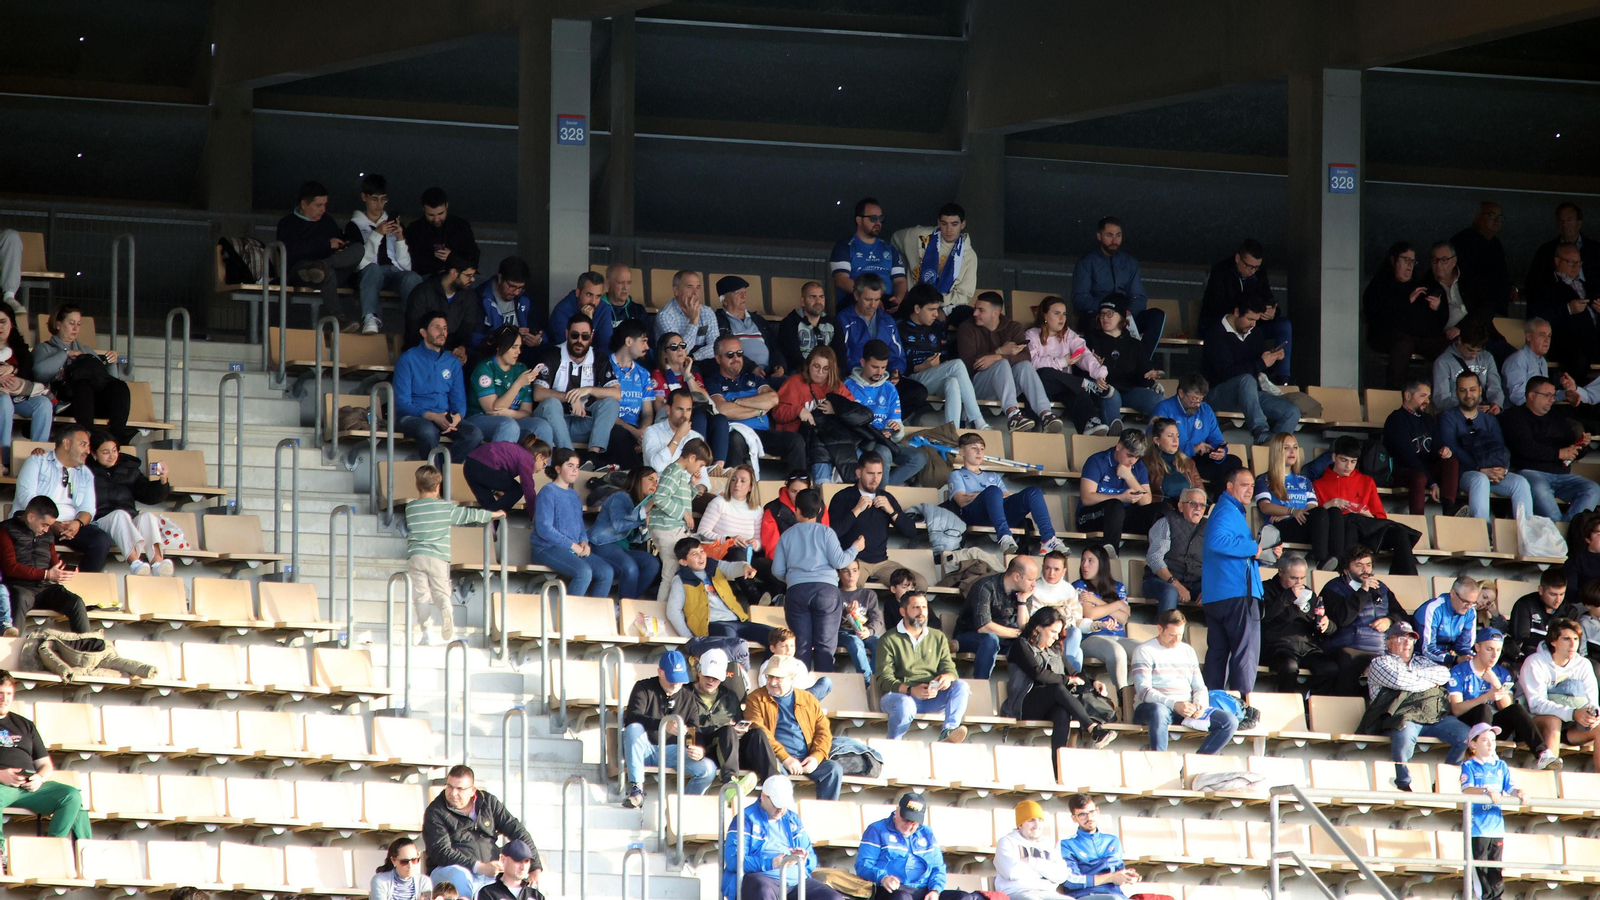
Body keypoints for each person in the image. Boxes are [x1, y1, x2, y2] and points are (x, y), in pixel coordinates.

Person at [1362, 621, 1471, 792]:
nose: (1407, 643)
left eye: (1411, 639)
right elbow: (1400, 680)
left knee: (1467, 736)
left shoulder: (1421, 661)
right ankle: (1403, 782)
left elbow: (1444, 674)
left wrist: (1414, 676)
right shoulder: (1380, 662)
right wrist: (1428, 682)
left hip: (1432, 716)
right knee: (1403, 736)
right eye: (1401, 639)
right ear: (1388, 641)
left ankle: (1445, 781)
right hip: (1403, 716)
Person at [404, 463, 502, 645]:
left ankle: (426, 632)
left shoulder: (410, 508)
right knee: (441, 592)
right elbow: (467, 515)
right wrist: (492, 515)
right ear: (438, 486)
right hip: (438, 557)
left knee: (420, 596)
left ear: (417, 485)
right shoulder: (445, 508)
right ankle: (446, 611)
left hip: (416, 556)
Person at [1006, 606, 1115, 763]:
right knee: (1058, 688)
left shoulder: (1055, 650)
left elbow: (1075, 673)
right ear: (1038, 628)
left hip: (1050, 703)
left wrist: (1093, 682)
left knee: (1061, 712)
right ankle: (1092, 728)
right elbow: (1037, 673)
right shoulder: (1021, 646)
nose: (1056, 637)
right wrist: (1068, 680)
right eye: (1052, 632)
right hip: (1025, 703)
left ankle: (1058, 769)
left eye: (1058, 633)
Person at [773, 488, 864, 672]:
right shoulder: (827, 532)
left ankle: (801, 693)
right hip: (826, 593)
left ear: (796, 510)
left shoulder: (786, 536)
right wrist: (855, 548)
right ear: (820, 510)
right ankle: (825, 692)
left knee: (801, 647)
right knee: (825, 647)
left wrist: (794, 579)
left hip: (796, 592)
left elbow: (777, 570)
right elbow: (839, 561)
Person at [1202, 465, 1272, 695]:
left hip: (1219, 595)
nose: (1250, 490)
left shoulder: (1228, 510)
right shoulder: (1226, 510)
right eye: (1244, 485)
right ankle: (1241, 708)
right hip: (1236, 594)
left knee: (1218, 655)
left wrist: (1262, 555)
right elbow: (1216, 541)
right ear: (1229, 487)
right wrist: (1254, 548)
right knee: (1245, 654)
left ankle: (1213, 704)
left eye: (1252, 485)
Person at [619, 650, 719, 807]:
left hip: (672, 752)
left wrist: (695, 748)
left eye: (679, 680)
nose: (676, 684)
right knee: (633, 728)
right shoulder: (643, 687)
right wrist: (662, 724)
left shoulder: (687, 696)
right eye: (671, 679)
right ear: (660, 672)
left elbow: (693, 728)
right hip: (644, 748)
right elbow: (631, 717)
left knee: (708, 768)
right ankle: (637, 789)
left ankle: (683, 810)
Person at [0, 671, 91, 841]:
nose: (4, 699)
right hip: (2, 786)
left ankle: (54, 848)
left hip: (30, 786)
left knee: (71, 796)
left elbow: (45, 764)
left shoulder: (25, 725)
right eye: (0, 694)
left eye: (9, 694)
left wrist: (40, 778)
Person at [721, 775, 844, 900]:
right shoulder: (745, 819)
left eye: (784, 805)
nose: (781, 809)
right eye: (776, 804)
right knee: (762, 890)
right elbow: (733, 860)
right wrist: (771, 863)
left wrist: (803, 859)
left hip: (796, 881)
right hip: (763, 879)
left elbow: (812, 859)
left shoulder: (792, 819)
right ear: (763, 797)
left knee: (833, 898)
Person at [1132, 609, 1237, 754]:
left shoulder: (1188, 651)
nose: (1176, 640)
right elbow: (1143, 690)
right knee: (1159, 712)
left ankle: (1197, 762)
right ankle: (1161, 762)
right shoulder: (1144, 650)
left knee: (1229, 721)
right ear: (1159, 629)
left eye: (1180, 635)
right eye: (1172, 635)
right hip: (1155, 706)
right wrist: (1174, 704)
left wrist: (1200, 704)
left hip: (1186, 707)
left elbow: (1199, 686)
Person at [1448, 628, 1555, 770]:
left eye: (1498, 650)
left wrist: (1496, 684)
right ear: (1477, 647)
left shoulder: (1502, 673)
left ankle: (1543, 753)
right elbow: (1456, 709)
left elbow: (1507, 708)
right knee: (1483, 708)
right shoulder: (1459, 671)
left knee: (1516, 709)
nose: (1494, 655)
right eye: (1489, 649)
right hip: (1468, 723)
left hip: (1494, 728)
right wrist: (1484, 697)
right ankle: (1486, 753)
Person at [1312, 436, 1421, 575]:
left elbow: (1380, 516)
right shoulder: (1319, 485)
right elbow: (1317, 519)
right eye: (1343, 460)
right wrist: (1329, 505)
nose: (1348, 466)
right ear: (1334, 457)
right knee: (1351, 524)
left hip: (1367, 530)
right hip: (1342, 533)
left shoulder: (1366, 481)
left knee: (1400, 534)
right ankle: (1346, 574)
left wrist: (1370, 515)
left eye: (1353, 462)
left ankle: (1408, 578)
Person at [956, 292, 1063, 434]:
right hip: (976, 385)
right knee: (1002, 365)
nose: (975, 313)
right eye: (975, 308)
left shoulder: (1013, 327)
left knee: (1024, 366)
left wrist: (998, 356)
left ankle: (1045, 414)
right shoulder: (967, 327)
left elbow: (1026, 357)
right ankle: (1013, 415)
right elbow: (970, 364)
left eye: (981, 310)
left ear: (996, 313)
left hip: (1007, 385)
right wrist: (1000, 352)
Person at [423, 764, 536, 898]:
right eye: (449, 786)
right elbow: (440, 852)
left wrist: (535, 867)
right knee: (460, 875)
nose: (453, 793)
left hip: (490, 872)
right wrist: (479, 867)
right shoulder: (435, 811)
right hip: (450, 870)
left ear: (472, 791)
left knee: (526, 883)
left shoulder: (488, 803)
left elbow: (517, 830)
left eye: (460, 789)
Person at [948, 431, 1065, 556]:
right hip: (976, 515)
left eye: (982, 449)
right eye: (973, 448)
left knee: (1033, 492)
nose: (979, 452)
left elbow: (1006, 496)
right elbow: (961, 500)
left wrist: (981, 495)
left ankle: (1048, 539)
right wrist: (987, 495)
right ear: (961, 452)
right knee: (993, 491)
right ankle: (1005, 537)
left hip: (999, 513)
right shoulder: (956, 475)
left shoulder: (993, 476)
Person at [704, 334, 807, 475]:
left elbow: (772, 399)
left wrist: (737, 402)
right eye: (730, 355)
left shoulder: (753, 378)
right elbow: (722, 409)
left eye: (739, 354)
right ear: (718, 358)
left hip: (762, 433)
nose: (736, 358)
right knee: (735, 439)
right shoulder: (713, 381)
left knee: (795, 441)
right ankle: (731, 490)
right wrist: (758, 411)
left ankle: (799, 487)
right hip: (736, 432)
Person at [1199, 299, 1299, 445]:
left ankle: (1270, 453)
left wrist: (1274, 361)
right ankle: (1260, 431)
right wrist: (1260, 362)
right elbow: (1226, 372)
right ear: (1237, 312)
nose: (1253, 324)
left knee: (1291, 412)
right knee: (1246, 379)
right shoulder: (1215, 333)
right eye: (1250, 319)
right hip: (1218, 394)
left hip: (1250, 394)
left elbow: (1260, 371)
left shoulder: (1254, 333)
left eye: (1256, 320)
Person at [14, 427, 113, 573]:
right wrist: (53, 524)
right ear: (66, 444)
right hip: (39, 522)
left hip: (70, 526)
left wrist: (77, 524)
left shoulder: (85, 473)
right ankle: (43, 587)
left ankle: (81, 585)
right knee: (39, 538)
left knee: (101, 540)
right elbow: (26, 497)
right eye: (83, 444)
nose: (87, 450)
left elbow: (89, 508)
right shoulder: (38, 461)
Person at [743, 657, 843, 800]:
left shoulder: (808, 699)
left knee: (833, 770)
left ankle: (825, 817)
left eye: (778, 678)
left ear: (792, 678)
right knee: (776, 775)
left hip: (806, 757)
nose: (772, 682)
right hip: (776, 758)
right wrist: (786, 758)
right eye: (769, 677)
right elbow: (761, 732)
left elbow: (823, 731)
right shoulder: (755, 699)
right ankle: (781, 815)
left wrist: (816, 757)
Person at [875, 590, 969, 742]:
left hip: (932, 697)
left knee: (961, 686)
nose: (921, 612)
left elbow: (950, 668)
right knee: (906, 705)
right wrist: (911, 690)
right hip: (900, 697)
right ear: (902, 611)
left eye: (924, 607)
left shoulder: (938, 637)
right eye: (916, 607)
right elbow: (884, 680)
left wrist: (947, 677)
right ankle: (893, 743)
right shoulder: (888, 639)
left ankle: (948, 731)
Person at [1439, 371, 1534, 522]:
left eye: (1472, 389)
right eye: (1463, 390)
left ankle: (1526, 532)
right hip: (1466, 472)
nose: (1468, 394)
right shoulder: (1448, 417)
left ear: (1480, 390)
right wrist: (1479, 468)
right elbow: (1452, 449)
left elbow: (1501, 449)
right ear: (1456, 392)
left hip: (1491, 471)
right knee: (1480, 480)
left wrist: (1503, 469)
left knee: (1520, 483)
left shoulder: (1489, 420)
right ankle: (1483, 534)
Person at [1502, 376, 1599, 521]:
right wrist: (1558, 453)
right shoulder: (1515, 416)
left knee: (1592, 489)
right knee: (1540, 491)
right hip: (1531, 472)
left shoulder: (1556, 417)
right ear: (1531, 395)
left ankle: (1566, 532)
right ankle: (1565, 535)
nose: (1552, 399)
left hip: (1562, 475)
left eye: (1553, 395)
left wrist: (1581, 445)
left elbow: (1571, 449)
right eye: (1547, 395)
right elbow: (1525, 447)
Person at [34, 303, 134, 445]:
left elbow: (106, 380)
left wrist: (111, 363)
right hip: (63, 403)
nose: (76, 328)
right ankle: (88, 438)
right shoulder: (44, 348)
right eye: (71, 323)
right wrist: (65, 354)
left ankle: (116, 440)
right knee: (82, 383)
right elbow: (39, 374)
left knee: (120, 387)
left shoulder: (86, 350)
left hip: (90, 404)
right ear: (58, 324)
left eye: (79, 324)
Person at [530, 313, 621, 463]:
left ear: (591, 336)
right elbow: (538, 394)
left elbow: (616, 393)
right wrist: (571, 397)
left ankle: (593, 456)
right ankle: (570, 459)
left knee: (611, 403)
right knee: (551, 403)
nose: (579, 341)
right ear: (567, 334)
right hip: (555, 423)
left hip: (583, 423)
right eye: (575, 335)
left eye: (585, 337)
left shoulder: (599, 357)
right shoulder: (552, 354)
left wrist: (588, 390)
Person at [84, 431, 180, 577]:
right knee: (119, 515)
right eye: (105, 452)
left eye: (114, 450)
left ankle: (158, 562)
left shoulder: (129, 469)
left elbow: (149, 496)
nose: (112, 456)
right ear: (94, 454)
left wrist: (162, 481)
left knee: (147, 516)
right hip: (100, 521)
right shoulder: (85, 471)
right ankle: (135, 562)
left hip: (127, 523)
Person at [1318, 545, 1407, 696]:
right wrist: (1362, 592)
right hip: (1347, 647)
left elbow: (1401, 614)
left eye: (1368, 565)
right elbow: (1341, 619)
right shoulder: (1333, 589)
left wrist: (1389, 620)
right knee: (1347, 665)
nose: (1365, 570)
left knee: (1395, 670)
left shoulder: (1382, 588)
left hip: (1379, 649)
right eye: (1359, 565)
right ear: (1346, 569)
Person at [1070, 217, 1164, 358]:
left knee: (1157, 315)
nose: (1114, 240)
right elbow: (1080, 298)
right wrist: (1108, 310)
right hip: (1098, 317)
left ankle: (1143, 362)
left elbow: (1139, 296)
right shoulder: (1087, 262)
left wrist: (1127, 312)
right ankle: (1097, 369)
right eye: (1109, 235)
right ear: (1099, 236)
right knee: (1089, 319)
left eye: (1118, 235)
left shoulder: (1130, 263)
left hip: (1125, 317)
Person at [396, 312, 484, 461]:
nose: (442, 332)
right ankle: (437, 479)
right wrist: (432, 416)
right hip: (414, 417)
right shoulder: (407, 359)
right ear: (423, 332)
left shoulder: (453, 362)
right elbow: (402, 403)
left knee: (474, 434)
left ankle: (440, 473)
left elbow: (459, 401)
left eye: (444, 328)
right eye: (436, 327)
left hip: (444, 416)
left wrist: (457, 417)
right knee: (428, 431)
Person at [857, 792, 979, 900]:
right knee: (902, 897)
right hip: (892, 889)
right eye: (906, 819)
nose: (909, 825)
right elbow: (863, 865)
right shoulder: (877, 830)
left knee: (964, 897)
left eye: (914, 822)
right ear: (897, 810)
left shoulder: (926, 833)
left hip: (923, 890)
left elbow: (938, 867)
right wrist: (883, 878)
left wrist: (935, 890)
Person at [276, 181, 362, 329]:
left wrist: (341, 247)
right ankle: (338, 319)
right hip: (301, 273)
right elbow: (290, 252)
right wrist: (326, 245)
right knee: (326, 272)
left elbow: (338, 242)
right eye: (318, 205)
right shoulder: (287, 224)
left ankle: (322, 266)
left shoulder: (327, 221)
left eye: (325, 205)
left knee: (358, 249)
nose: (323, 210)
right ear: (304, 204)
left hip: (329, 268)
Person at [1364, 242, 1448, 390]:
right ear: (1393, 260)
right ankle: (1395, 396)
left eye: (1412, 261)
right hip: (1386, 336)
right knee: (1403, 343)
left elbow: (1435, 323)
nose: (1410, 265)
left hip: (1418, 337)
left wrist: (1437, 309)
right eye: (1405, 260)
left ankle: (1444, 396)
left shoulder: (1419, 286)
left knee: (1447, 345)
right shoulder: (1380, 284)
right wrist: (1407, 301)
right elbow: (1376, 316)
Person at [827, 456, 921, 588]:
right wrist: (856, 511)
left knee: (919, 584)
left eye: (879, 473)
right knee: (851, 586)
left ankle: (897, 608)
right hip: (854, 560)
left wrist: (891, 511)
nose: (875, 479)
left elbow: (911, 531)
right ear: (858, 473)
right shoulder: (842, 497)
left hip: (882, 562)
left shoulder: (886, 498)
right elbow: (832, 532)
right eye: (870, 473)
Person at [345, 174, 423, 334]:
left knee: (413, 277)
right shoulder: (354, 226)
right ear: (364, 197)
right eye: (374, 199)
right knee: (373, 269)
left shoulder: (393, 223)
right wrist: (377, 234)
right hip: (368, 273)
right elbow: (359, 263)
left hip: (393, 272)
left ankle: (416, 324)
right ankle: (370, 317)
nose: (379, 205)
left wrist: (400, 238)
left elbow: (406, 266)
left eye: (383, 199)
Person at [1026, 295, 1116, 434]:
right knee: (1044, 373)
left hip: (1064, 386)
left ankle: (1090, 423)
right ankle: (1084, 384)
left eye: (1064, 314)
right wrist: (1063, 362)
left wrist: (1099, 374)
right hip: (1039, 387)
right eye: (1057, 313)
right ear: (1045, 315)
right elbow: (1032, 363)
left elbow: (1083, 354)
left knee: (1075, 390)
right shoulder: (1032, 334)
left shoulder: (1068, 334)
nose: (1062, 318)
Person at [1520, 617, 1600, 773]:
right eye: (1566, 639)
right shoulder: (1535, 662)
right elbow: (1536, 704)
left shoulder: (1583, 664)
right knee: (1553, 721)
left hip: (1573, 725)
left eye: (1576, 639)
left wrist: (1593, 714)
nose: (1572, 644)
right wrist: (1571, 713)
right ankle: (1547, 784)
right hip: (1537, 723)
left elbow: (1593, 701)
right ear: (1553, 641)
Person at [531, 448, 614, 597]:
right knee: (583, 572)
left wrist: (583, 541)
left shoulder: (574, 495)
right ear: (557, 468)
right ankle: (569, 618)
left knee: (606, 572)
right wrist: (572, 545)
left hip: (571, 549)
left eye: (577, 466)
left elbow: (579, 525)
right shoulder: (548, 492)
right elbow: (544, 528)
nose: (575, 470)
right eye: (570, 466)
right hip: (546, 549)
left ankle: (593, 618)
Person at [0, 496, 89, 633]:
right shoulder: (5, 530)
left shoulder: (47, 535)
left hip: (45, 587)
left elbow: (54, 563)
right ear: (31, 517)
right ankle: (11, 649)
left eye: (49, 526)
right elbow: (10, 567)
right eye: (44, 525)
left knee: (75, 602)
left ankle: (86, 648)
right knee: (19, 599)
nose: (47, 530)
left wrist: (64, 571)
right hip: (19, 587)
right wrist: (46, 574)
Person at [846, 340, 926, 485]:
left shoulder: (890, 388)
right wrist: (874, 435)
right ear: (863, 362)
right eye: (875, 367)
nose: (880, 372)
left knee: (919, 458)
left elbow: (898, 432)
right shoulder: (848, 386)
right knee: (884, 453)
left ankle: (883, 491)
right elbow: (845, 426)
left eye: (883, 367)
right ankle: (880, 497)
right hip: (860, 444)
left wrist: (895, 431)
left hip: (885, 442)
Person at [1256, 432, 1340, 568]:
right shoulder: (1265, 479)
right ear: (1277, 451)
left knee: (1334, 512)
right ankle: (1321, 560)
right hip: (1281, 527)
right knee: (1320, 513)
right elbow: (1265, 506)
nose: (1292, 451)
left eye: (1295, 447)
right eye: (1286, 448)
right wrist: (1291, 511)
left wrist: (1293, 513)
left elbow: (1312, 508)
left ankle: (1338, 560)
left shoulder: (1304, 481)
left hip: (1301, 524)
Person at [1460, 722, 1522, 900]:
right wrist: (1486, 791)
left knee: (1496, 872)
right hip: (1477, 829)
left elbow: (1510, 787)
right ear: (1473, 744)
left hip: (1496, 828)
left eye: (1493, 740)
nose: (1490, 744)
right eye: (1485, 740)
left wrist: (1520, 792)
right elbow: (1467, 789)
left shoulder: (1501, 766)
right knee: (1481, 873)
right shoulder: (1469, 766)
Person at [1259, 555, 1336, 694]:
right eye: (1293, 578)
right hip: (1278, 645)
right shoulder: (1266, 589)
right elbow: (1265, 617)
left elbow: (1322, 623)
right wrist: (1288, 597)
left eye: (1302, 578)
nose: (1298, 583)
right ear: (1280, 571)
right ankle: (1288, 705)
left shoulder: (1308, 593)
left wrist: (1326, 624)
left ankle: (1307, 699)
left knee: (1330, 668)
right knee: (1289, 667)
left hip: (1307, 646)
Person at [467, 326, 556, 446]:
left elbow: (527, 412)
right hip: (480, 418)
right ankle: (498, 464)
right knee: (509, 425)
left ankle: (541, 465)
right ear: (499, 347)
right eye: (514, 347)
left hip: (512, 419)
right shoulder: (485, 368)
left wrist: (511, 414)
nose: (518, 352)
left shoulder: (521, 369)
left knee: (542, 426)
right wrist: (518, 384)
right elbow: (492, 410)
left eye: (519, 347)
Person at [1151, 374, 1243, 488]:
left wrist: (1220, 452)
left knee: (1233, 463)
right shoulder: (1164, 408)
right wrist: (1192, 448)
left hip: (1198, 459)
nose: (1197, 404)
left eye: (1200, 399)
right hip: (1172, 459)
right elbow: (1154, 443)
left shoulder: (1206, 410)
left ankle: (1218, 503)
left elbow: (1217, 439)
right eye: (1194, 399)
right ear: (1181, 393)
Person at [953, 556, 1039, 680]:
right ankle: (981, 683)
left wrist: (1022, 601)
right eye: (1030, 579)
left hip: (1005, 639)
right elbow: (984, 627)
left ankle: (1022, 690)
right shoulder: (985, 586)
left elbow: (1024, 626)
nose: (1034, 584)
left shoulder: (1024, 591)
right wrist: (1019, 633)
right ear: (1016, 577)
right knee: (990, 639)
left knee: (1026, 644)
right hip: (970, 636)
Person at [697, 463, 773, 602]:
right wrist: (728, 539)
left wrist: (755, 543)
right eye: (734, 479)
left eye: (743, 481)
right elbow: (702, 532)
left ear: (750, 487)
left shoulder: (756, 510)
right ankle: (756, 600)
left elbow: (760, 541)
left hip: (748, 554)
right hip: (722, 553)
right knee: (738, 554)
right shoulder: (719, 503)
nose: (737, 484)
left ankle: (776, 600)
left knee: (770, 567)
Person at [668, 537, 765, 643]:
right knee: (733, 643)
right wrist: (689, 638)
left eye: (702, 551)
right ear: (683, 562)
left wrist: (745, 566)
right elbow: (673, 611)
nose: (701, 556)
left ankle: (771, 660)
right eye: (694, 554)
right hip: (714, 625)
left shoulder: (713, 565)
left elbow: (730, 568)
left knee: (776, 637)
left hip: (738, 621)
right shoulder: (681, 579)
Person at [647, 438, 710, 601]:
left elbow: (678, 497)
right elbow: (660, 497)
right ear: (691, 458)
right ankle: (661, 610)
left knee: (673, 572)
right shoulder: (674, 471)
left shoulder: (679, 473)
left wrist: (692, 485)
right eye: (700, 465)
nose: (700, 469)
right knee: (670, 573)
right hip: (668, 528)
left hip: (671, 527)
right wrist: (684, 514)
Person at [1076, 430, 1158, 554]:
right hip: (1091, 517)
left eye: (1136, 457)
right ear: (1119, 447)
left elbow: (1146, 502)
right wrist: (1120, 497)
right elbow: (1086, 498)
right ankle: (1111, 555)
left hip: (1122, 517)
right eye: (1129, 455)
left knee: (1159, 509)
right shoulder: (1097, 461)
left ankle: (1160, 557)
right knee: (1115, 505)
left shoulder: (1139, 467)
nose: (1132, 461)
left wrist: (1129, 477)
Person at [588, 466, 663, 601]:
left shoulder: (641, 504)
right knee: (630, 567)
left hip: (622, 549)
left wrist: (648, 524)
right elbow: (619, 524)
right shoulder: (620, 496)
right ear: (637, 480)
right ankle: (625, 607)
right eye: (650, 479)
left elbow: (638, 539)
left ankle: (626, 605)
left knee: (652, 563)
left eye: (657, 481)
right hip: (601, 544)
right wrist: (643, 511)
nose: (655, 484)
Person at [1083, 296, 1164, 419]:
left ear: (1121, 316)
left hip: (1128, 391)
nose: (1104, 317)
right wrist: (1094, 369)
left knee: (1158, 401)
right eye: (1102, 314)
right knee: (1111, 395)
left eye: (1109, 313)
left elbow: (1142, 375)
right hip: (1104, 391)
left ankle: (1157, 435)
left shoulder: (1134, 344)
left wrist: (1149, 376)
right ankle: (1113, 436)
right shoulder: (1091, 340)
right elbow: (1081, 372)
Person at [893, 203, 977, 319]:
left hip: (944, 307)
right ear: (938, 223)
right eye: (944, 224)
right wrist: (902, 270)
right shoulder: (917, 236)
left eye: (954, 224)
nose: (949, 229)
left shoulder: (969, 255)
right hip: (913, 302)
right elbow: (894, 241)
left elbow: (964, 294)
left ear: (963, 225)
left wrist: (936, 302)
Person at [1059, 794, 1141, 899]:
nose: (1089, 818)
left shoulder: (1113, 840)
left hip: (1115, 894)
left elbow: (1119, 872)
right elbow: (1071, 882)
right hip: (1085, 895)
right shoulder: (1066, 845)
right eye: (1082, 814)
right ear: (1074, 818)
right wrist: (1111, 878)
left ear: (1097, 811)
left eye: (1091, 812)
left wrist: (1131, 877)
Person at [1199, 239, 1277, 349]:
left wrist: (1272, 312)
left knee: (1284, 326)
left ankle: (1280, 365)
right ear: (1237, 258)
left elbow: (1268, 298)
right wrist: (1247, 311)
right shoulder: (1221, 270)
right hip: (1225, 324)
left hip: (1252, 325)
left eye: (1256, 267)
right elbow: (1215, 305)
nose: (1253, 271)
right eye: (1249, 266)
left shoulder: (1260, 273)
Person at [0, 305, 52, 472]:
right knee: (3, 401)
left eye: (3, 322)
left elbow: (29, 373)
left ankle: (38, 459)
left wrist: (13, 370)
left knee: (43, 404)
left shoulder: (20, 348)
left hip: (19, 396)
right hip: (2, 398)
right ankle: (4, 460)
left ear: (11, 324)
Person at [832, 197, 908, 311]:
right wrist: (871, 299)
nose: (878, 222)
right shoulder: (844, 246)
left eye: (881, 218)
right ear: (859, 220)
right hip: (854, 303)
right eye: (873, 218)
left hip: (886, 304)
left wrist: (897, 300)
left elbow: (900, 281)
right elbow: (841, 280)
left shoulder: (890, 249)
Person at [996, 800, 1081, 900]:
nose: (1037, 825)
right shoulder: (1007, 842)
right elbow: (1012, 872)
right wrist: (1046, 873)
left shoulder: (1048, 845)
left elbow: (1061, 875)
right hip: (1017, 893)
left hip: (1047, 893)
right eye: (1031, 820)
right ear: (1020, 824)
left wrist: (1031, 861)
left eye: (1040, 820)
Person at [1142, 486, 1206, 614]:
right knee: (1170, 591)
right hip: (1160, 581)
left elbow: (1215, 564)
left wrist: (1208, 589)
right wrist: (1175, 584)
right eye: (1192, 503)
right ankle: (1166, 631)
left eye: (1202, 505)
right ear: (1180, 506)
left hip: (1193, 583)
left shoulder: (1209, 528)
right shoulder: (1166, 522)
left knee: (1218, 593)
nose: (1198, 508)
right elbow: (1155, 559)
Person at [602, 321, 656, 469]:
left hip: (635, 431)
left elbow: (647, 412)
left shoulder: (643, 374)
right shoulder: (603, 365)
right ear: (628, 341)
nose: (647, 347)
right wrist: (635, 433)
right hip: (610, 427)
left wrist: (642, 434)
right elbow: (602, 410)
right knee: (618, 434)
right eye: (643, 341)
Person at [1507, 568, 1584, 669]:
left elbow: (1574, 641)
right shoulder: (1525, 605)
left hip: (1562, 661)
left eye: (1562, 594)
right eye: (1553, 594)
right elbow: (1520, 640)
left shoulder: (1570, 611)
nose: (1558, 600)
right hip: (1532, 660)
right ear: (1541, 590)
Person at [404, 256, 480, 356]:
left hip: (453, 353)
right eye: (469, 275)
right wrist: (442, 354)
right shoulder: (423, 292)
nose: (472, 279)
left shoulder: (469, 295)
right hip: (422, 352)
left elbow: (466, 329)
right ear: (454, 273)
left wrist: (461, 348)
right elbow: (414, 330)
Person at [1451, 202, 1514, 321]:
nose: (1497, 220)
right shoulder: (1462, 241)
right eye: (1491, 215)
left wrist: (1511, 286)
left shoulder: (1496, 244)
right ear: (1477, 217)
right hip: (1471, 312)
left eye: (1500, 217)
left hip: (1497, 311)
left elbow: (1502, 274)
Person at [472, 256, 542, 360]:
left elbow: (542, 331)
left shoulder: (526, 295)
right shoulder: (480, 297)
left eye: (520, 287)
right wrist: (508, 337)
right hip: (492, 356)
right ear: (500, 278)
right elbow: (474, 340)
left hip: (522, 354)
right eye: (512, 286)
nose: (516, 292)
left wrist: (538, 340)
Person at [715, 276, 785, 380]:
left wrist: (780, 364)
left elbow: (775, 346)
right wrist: (750, 367)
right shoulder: (718, 322)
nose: (743, 296)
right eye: (737, 293)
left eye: (744, 292)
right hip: (740, 374)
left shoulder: (758, 320)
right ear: (724, 300)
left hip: (769, 373)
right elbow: (722, 352)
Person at [403, 186, 480, 280]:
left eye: (440, 214)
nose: (436, 219)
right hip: (428, 278)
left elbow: (474, 258)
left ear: (447, 206)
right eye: (431, 215)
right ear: (423, 209)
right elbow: (412, 262)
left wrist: (452, 258)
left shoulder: (461, 226)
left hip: (461, 276)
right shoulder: (415, 229)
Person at [1431, 319, 1505, 416]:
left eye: (1478, 351)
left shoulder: (1486, 357)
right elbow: (1440, 399)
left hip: (1482, 412)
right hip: (1454, 414)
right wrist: (1467, 407)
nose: (1474, 356)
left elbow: (1495, 387)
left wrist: (1496, 403)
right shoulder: (1443, 362)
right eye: (1470, 350)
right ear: (1460, 340)